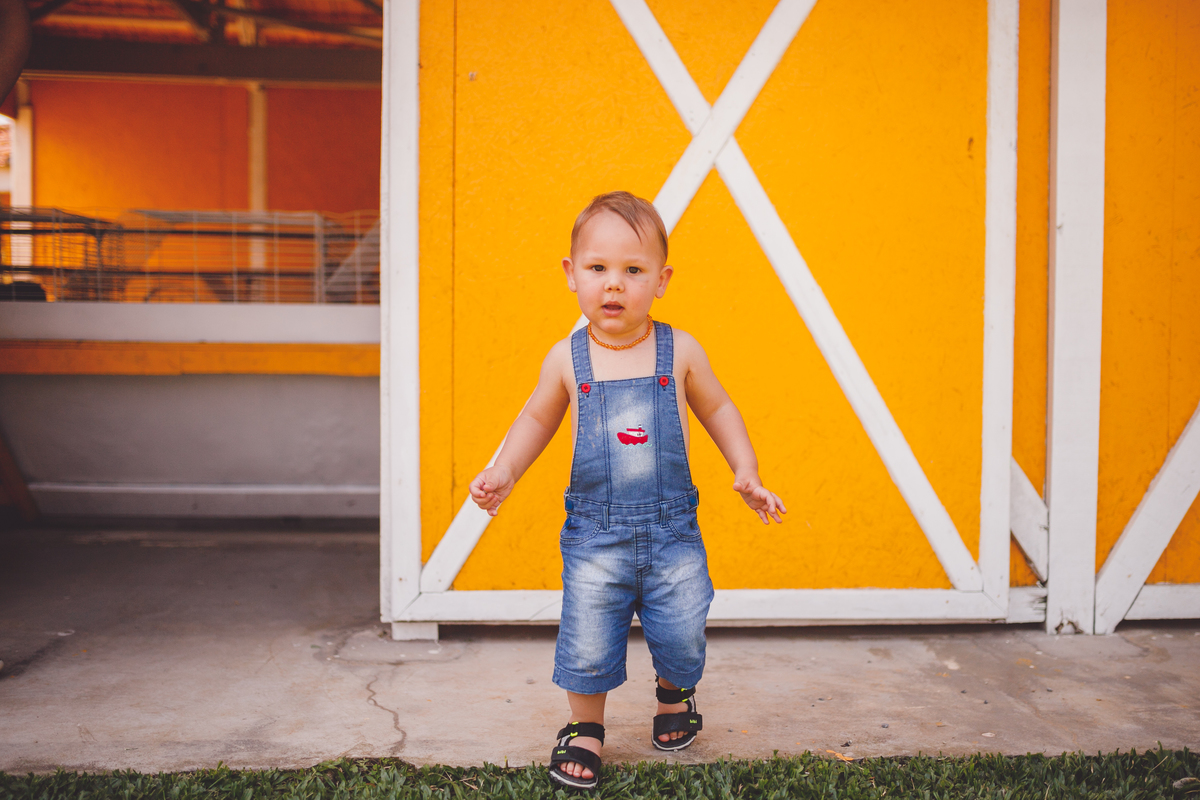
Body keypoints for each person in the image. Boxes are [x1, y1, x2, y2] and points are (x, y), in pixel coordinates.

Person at [468, 191, 785, 790]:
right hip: (595, 534)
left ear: (661, 281)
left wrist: (746, 469)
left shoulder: (680, 350)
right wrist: (504, 471)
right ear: (571, 275)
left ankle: (673, 694)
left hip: (672, 532)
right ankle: (585, 729)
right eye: (598, 269)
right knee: (587, 634)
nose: (614, 286)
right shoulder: (567, 359)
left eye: (633, 271)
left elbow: (718, 407)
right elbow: (535, 420)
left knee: (683, 627)